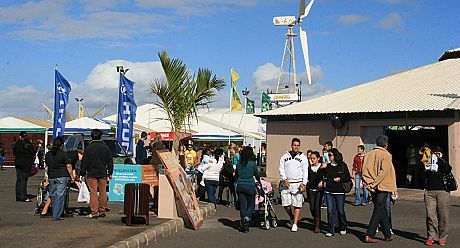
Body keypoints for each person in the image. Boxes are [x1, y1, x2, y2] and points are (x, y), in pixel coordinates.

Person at [362, 135, 397, 243]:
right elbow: (384, 172)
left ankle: (387, 234)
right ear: (386, 145)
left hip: (372, 185)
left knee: (380, 208)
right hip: (382, 186)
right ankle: (369, 234)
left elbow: (364, 170)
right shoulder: (386, 155)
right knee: (379, 209)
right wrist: (374, 184)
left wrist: (368, 183)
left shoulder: (368, 154)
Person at [80, 129, 114, 219]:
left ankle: (94, 211)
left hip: (91, 173)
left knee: (93, 192)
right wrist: (110, 172)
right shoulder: (105, 147)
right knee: (103, 192)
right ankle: (102, 210)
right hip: (102, 172)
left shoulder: (89, 148)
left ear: (92, 136)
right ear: (100, 136)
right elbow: (110, 161)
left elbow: (84, 162)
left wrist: (82, 173)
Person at [423, 146, 451, 246]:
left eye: (437, 153)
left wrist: (440, 159)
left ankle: (442, 237)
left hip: (443, 192)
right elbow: (424, 175)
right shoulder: (428, 162)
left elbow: (448, 169)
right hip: (430, 191)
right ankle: (431, 236)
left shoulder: (444, 163)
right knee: (430, 215)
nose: (435, 155)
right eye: (433, 153)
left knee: (443, 216)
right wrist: (427, 163)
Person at [279, 138, 309, 232]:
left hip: (298, 183)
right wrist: (284, 179)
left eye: (298, 145)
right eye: (294, 145)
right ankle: (291, 217)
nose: (296, 147)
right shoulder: (284, 156)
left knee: (297, 204)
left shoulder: (303, 158)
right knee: (285, 204)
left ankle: (295, 224)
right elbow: (281, 168)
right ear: (291, 145)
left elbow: (305, 171)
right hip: (287, 183)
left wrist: (304, 183)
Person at [323, 148, 351, 237]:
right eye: (328, 155)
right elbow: (323, 176)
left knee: (340, 211)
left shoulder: (342, 165)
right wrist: (321, 169)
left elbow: (348, 177)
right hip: (329, 191)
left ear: (335, 156)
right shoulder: (327, 166)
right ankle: (331, 230)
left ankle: (343, 226)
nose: (329, 157)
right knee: (330, 211)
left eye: (330, 155)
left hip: (339, 192)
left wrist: (340, 179)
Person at [45, 137, 73, 221]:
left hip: (51, 176)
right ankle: (56, 215)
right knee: (60, 196)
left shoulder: (48, 154)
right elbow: (68, 165)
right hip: (61, 176)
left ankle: (54, 213)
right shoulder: (63, 154)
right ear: (62, 144)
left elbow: (46, 165)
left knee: (53, 195)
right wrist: (71, 176)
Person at [235, 146, 261, 232]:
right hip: (250, 185)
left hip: (240, 185)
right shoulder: (252, 163)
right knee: (251, 205)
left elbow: (236, 175)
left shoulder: (239, 163)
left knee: (243, 206)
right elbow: (257, 175)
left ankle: (243, 222)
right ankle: (246, 218)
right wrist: (259, 181)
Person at [13, 131, 35, 202]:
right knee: (24, 180)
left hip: (18, 163)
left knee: (19, 179)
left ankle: (18, 195)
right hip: (26, 163)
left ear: (20, 137)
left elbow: (14, 153)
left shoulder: (16, 144)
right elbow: (33, 152)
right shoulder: (29, 143)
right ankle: (23, 196)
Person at [307, 151, 325, 233]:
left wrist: (322, 181)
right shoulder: (309, 168)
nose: (312, 160)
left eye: (314, 158)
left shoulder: (322, 167)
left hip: (319, 190)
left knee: (317, 207)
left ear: (318, 158)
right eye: (311, 158)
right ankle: (316, 220)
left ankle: (317, 226)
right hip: (311, 189)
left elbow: (325, 176)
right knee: (312, 208)